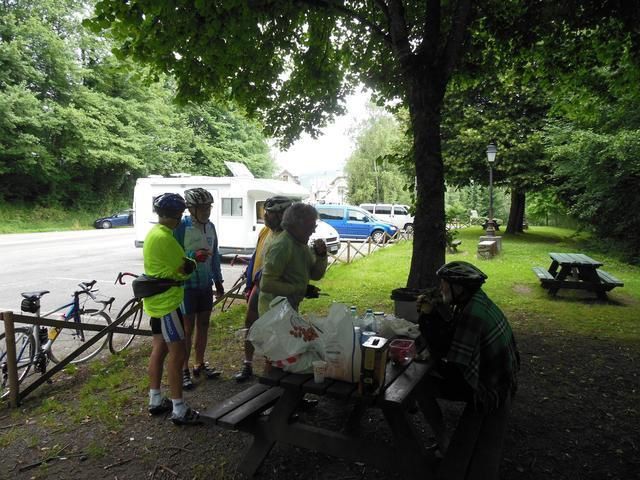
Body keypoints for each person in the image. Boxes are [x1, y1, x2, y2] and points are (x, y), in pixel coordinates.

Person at [416, 261, 520, 455]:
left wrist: (427, 322)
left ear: (459, 288)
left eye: (445, 284)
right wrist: (432, 315)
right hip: (503, 378)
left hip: (491, 388)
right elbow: (452, 337)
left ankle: (444, 443)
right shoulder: (476, 300)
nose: (441, 288)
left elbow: (455, 368)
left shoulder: (472, 315)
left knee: (420, 386)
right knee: (429, 373)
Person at [144, 193, 201, 426]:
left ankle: (155, 399)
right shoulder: (165, 238)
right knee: (177, 355)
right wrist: (195, 261)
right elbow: (185, 268)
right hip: (168, 304)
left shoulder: (153, 234)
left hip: (156, 303)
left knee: (159, 349)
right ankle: (179, 408)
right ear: (177, 215)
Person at [235, 195, 292, 382]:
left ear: (282, 215)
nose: (265, 216)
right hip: (258, 289)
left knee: (276, 334)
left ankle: (274, 375)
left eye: (270, 213)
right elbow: (256, 256)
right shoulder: (265, 231)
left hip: (277, 294)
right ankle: (247, 364)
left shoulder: (291, 237)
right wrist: (249, 283)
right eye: (264, 212)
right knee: (250, 325)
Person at [174, 187, 224, 390]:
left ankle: (199, 364)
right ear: (191, 208)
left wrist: (218, 280)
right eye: (202, 208)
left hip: (205, 285)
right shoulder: (181, 226)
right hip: (187, 286)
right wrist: (193, 257)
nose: (206, 211)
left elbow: (215, 255)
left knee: (204, 325)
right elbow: (175, 257)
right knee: (187, 329)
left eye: (208, 207)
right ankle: (183, 369)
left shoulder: (210, 226)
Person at [258, 202, 328, 316]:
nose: (313, 231)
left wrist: (321, 256)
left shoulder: (301, 244)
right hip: (272, 312)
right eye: (310, 227)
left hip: (288, 308)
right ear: (297, 225)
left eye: (314, 226)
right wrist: (299, 289)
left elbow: (315, 275)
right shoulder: (282, 246)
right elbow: (266, 284)